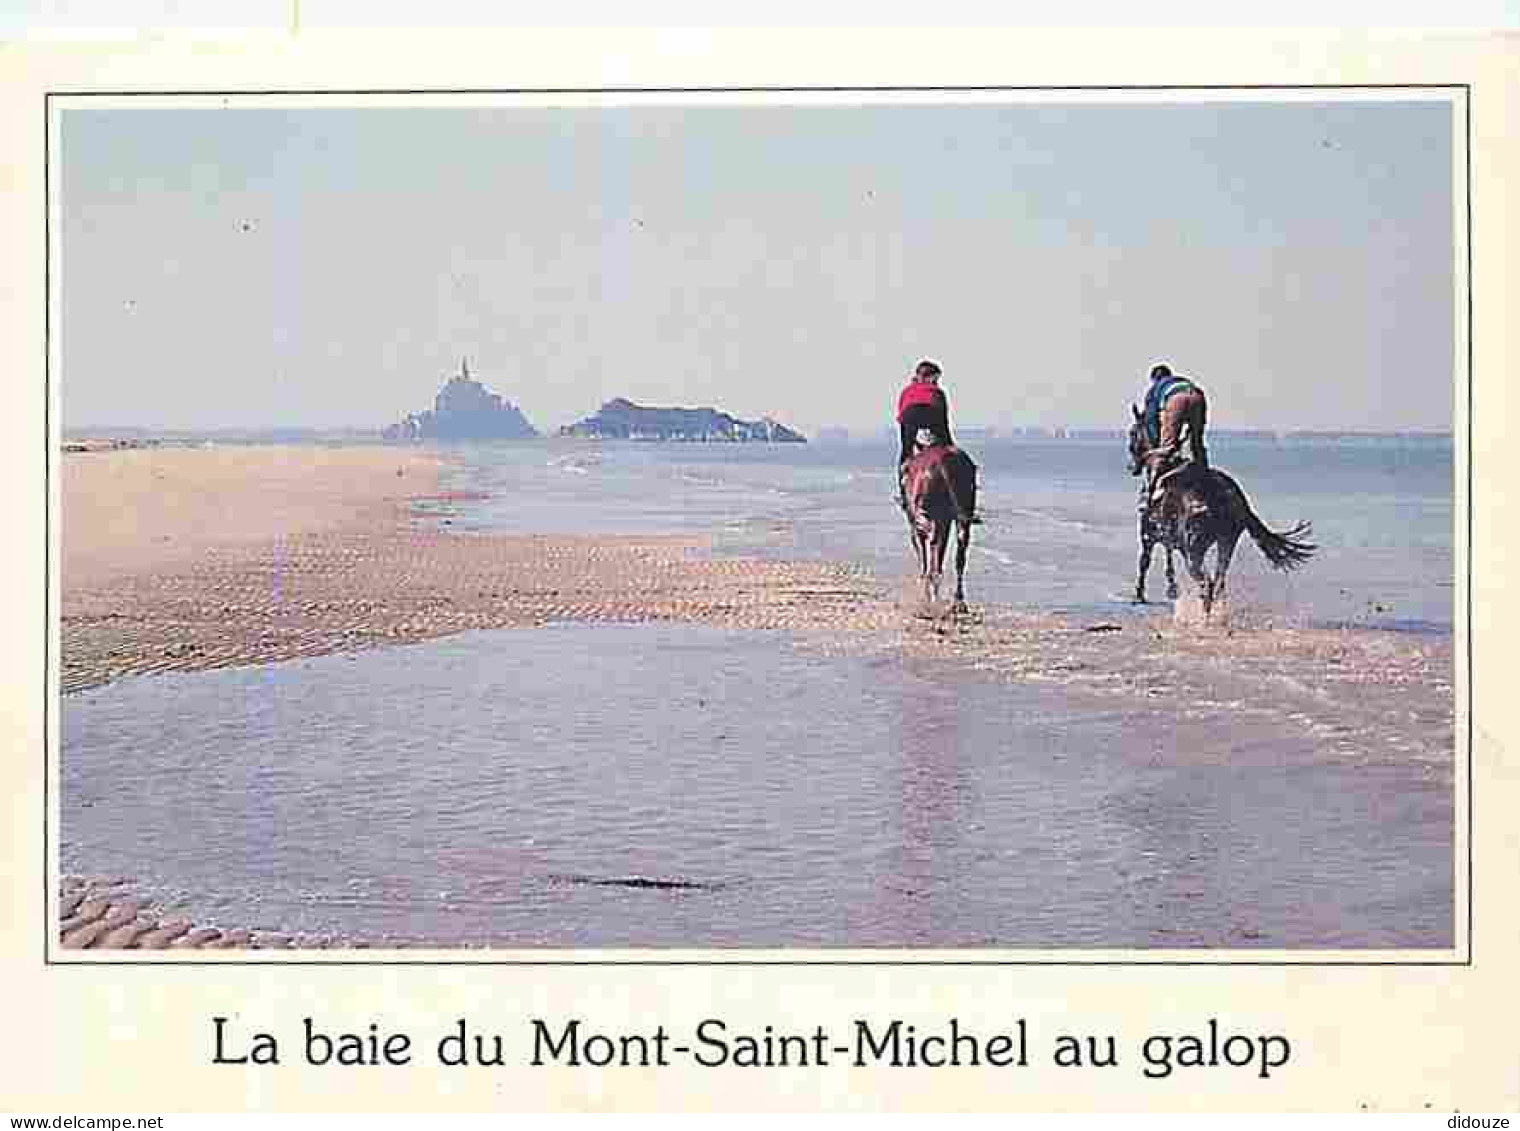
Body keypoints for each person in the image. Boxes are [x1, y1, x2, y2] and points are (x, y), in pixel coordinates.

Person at [1139, 362, 1209, 498]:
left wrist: (1157, 444)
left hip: (1176, 400)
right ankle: (1204, 475)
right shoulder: (1180, 381)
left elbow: (1151, 420)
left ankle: (1154, 492)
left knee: (1166, 448)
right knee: (1196, 444)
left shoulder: (1155, 388)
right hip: (1197, 396)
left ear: (1154, 379)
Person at [895, 359, 955, 506]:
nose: (937, 382)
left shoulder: (906, 391)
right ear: (930, 377)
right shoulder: (937, 391)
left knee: (905, 453)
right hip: (932, 411)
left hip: (909, 415)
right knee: (946, 450)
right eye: (936, 378)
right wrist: (949, 443)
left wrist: (911, 443)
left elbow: (902, 416)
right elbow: (944, 421)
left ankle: (903, 494)